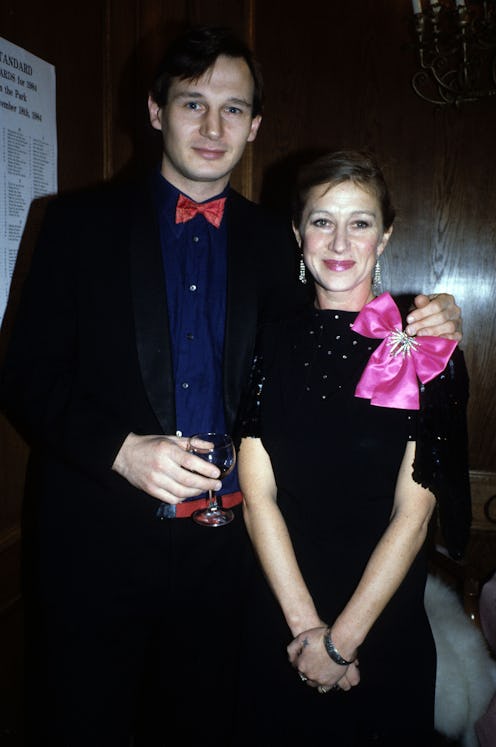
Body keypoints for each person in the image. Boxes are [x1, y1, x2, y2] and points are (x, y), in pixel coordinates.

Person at [0, 24, 463, 747]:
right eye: (193, 104)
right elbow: (24, 375)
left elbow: (342, 335)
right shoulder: (74, 224)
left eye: (234, 109)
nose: (214, 127)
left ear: (256, 126)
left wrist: (432, 312)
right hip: (95, 556)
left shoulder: (278, 245)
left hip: (231, 570)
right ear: (156, 112)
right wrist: (121, 450)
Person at [234, 150, 471, 746]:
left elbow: (414, 518)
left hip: (384, 630)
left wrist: (341, 642)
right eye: (321, 220)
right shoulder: (265, 344)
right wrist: (308, 630)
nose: (339, 240)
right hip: (282, 623)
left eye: (360, 222)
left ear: (385, 235)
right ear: (297, 232)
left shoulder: (428, 351)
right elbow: (258, 497)